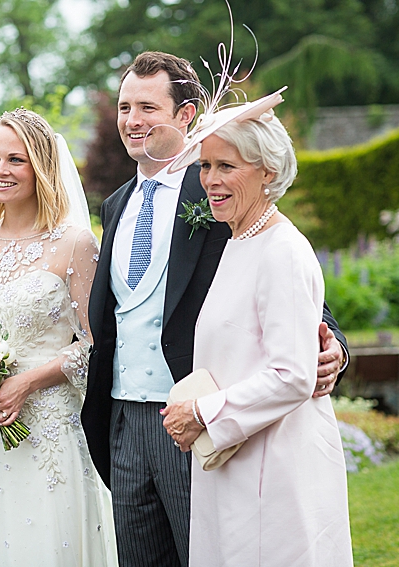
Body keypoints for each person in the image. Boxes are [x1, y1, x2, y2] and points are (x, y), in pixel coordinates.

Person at [80, 52, 349, 567]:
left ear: (186, 115)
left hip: (198, 420)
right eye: (124, 107)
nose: (132, 121)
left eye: (147, 107)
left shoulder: (223, 191)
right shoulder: (115, 204)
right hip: (122, 419)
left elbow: (293, 288)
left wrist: (333, 343)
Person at [160, 89, 354, 566]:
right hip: (235, 458)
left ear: (268, 171)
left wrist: (204, 413)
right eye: (206, 166)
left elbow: (293, 375)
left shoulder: (282, 251)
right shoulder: (239, 241)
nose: (210, 180)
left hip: (276, 466)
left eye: (227, 166)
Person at [0, 108, 117, 565]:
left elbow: (95, 345)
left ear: (41, 167)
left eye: (16, 160)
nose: (1, 170)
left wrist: (28, 381)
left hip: (48, 430)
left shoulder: (75, 243)